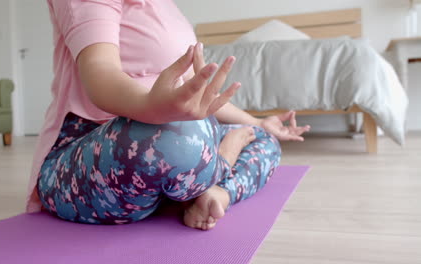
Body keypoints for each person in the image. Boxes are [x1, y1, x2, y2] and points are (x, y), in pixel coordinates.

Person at [26, 0, 310, 231]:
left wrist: (259, 122)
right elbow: (100, 72)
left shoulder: (167, 8)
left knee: (263, 139)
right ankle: (218, 167)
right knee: (176, 139)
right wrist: (153, 107)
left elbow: (193, 99)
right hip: (84, 158)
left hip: (173, 148)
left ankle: (215, 194)